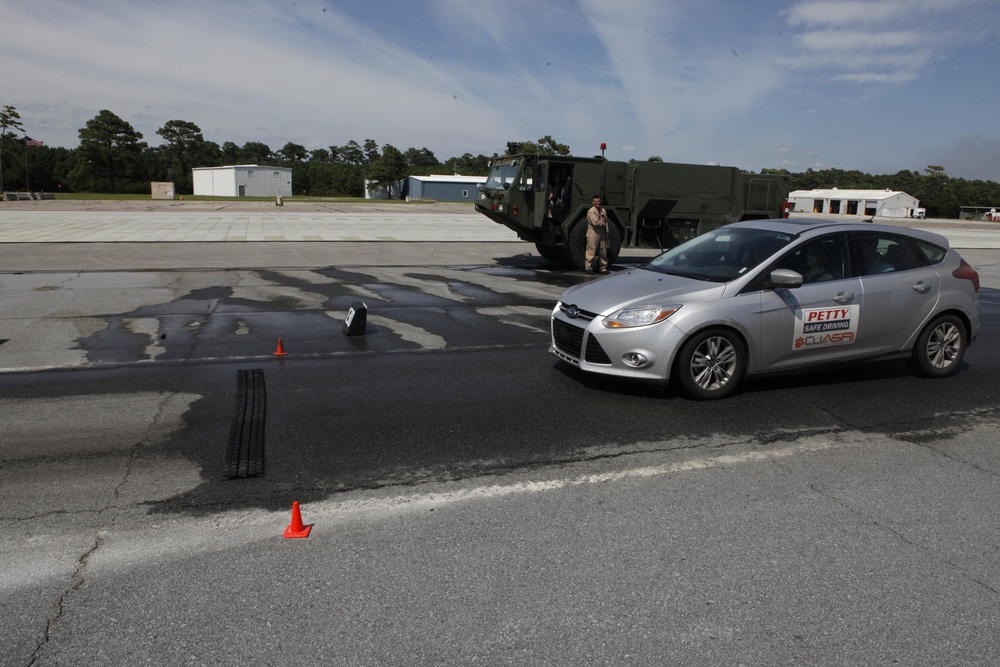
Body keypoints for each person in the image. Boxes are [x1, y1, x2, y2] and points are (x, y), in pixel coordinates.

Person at [585, 194, 609, 273]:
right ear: (593, 202)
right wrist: (603, 224)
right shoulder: (591, 211)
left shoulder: (603, 210)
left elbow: (606, 220)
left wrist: (607, 231)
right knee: (591, 251)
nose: (597, 203)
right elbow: (595, 222)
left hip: (602, 232)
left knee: (603, 251)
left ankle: (603, 268)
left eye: (598, 201)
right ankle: (588, 268)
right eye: (595, 201)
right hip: (593, 233)